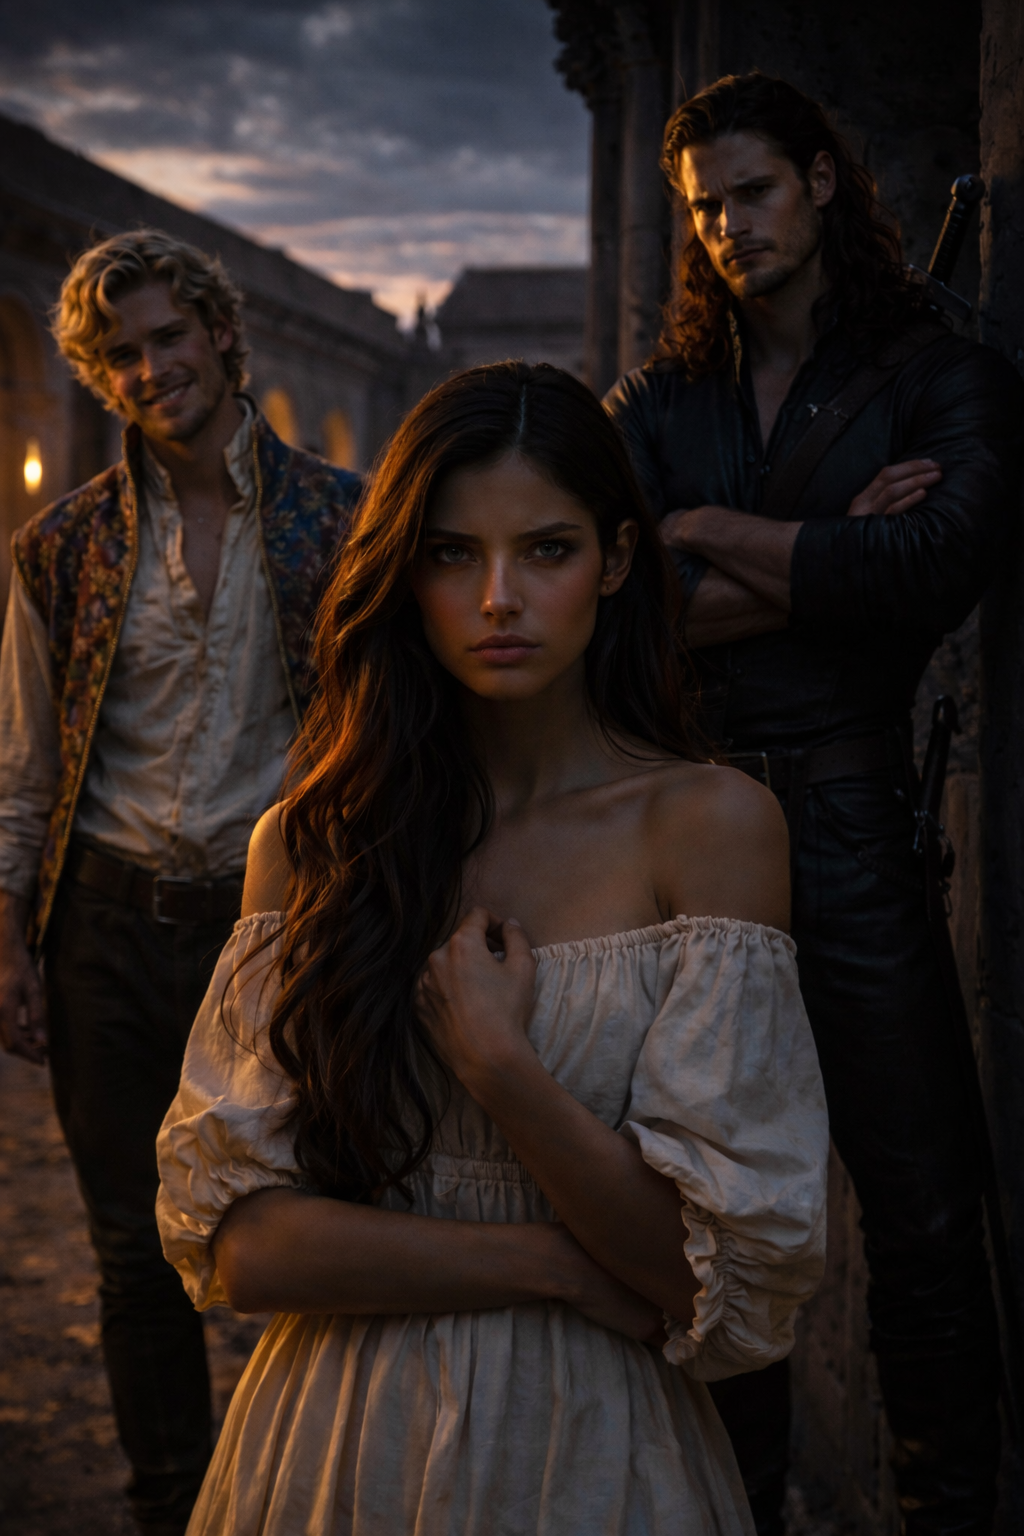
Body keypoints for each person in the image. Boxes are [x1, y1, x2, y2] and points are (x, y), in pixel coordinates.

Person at [154, 361, 829, 1535]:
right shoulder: (314, 843)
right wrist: (556, 1266)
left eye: (547, 550)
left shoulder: (707, 828)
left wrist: (501, 1069)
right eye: (452, 554)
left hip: (595, 1449)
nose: (497, 598)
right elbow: (241, 1245)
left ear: (616, 562)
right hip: (335, 1445)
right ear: (404, 574)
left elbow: (705, 1283)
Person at [604, 72, 1024, 1536]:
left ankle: (949, 1511)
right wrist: (817, 544)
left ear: (824, 182)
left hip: (850, 822)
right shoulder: (660, 402)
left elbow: (934, 567)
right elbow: (611, 611)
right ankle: (738, 1515)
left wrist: (710, 537)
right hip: (692, 844)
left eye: (754, 191)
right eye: (704, 207)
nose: (729, 227)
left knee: (918, 1208)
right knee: (715, 1220)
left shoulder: (933, 366)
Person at [0, 228, 360, 1535]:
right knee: (129, 1254)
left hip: (270, 926)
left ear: (219, 333)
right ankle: (175, 1509)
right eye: (124, 354)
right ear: (102, 378)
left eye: (171, 337)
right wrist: (9, 946)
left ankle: (299, 1495)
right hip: (102, 923)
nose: (153, 369)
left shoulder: (338, 515)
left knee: (301, 1234)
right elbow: (26, 771)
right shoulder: (63, 549)